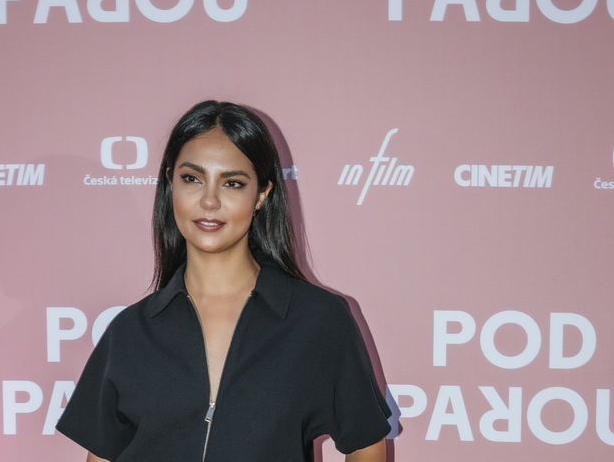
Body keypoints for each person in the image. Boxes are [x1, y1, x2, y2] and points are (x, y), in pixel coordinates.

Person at [57, 101, 392, 462]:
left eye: (232, 183)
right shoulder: (131, 331)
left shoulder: (318, 319)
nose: (209, 201)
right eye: (192, 178)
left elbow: (365, 443)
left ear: (261, 194)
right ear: (170, 183)